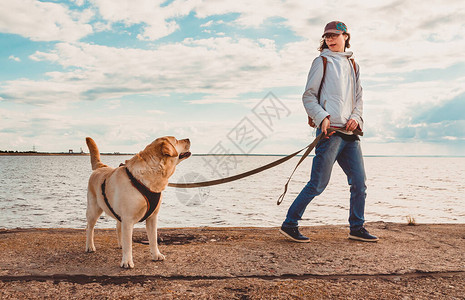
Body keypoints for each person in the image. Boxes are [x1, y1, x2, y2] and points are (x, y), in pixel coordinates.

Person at [279, 21, 378, 243]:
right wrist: (321, 116)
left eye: (334, 35)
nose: (330, 39)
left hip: (350, 135)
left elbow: (359, 97)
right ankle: (290, 224)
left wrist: (356, 117)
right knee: (317, 184)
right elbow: (308, 96)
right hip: (330, 134)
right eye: (326, 36)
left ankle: (357, 227)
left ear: (345, 36)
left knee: (359, 183)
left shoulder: (353, 65)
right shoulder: (321, 61)